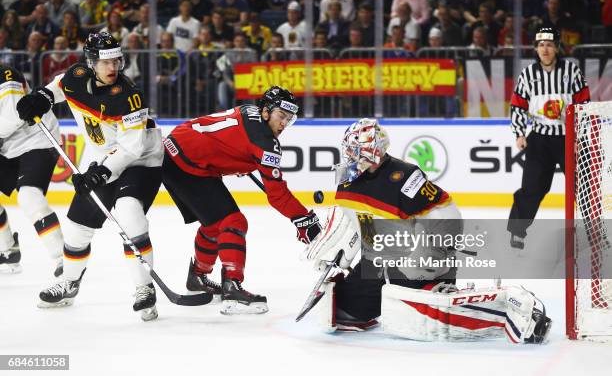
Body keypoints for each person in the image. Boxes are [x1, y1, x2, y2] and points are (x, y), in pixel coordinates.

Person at [303, 118, 551, 344]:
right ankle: (422, 293)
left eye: (354, 151)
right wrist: (341, 256)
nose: (348, 156)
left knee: (405, 293)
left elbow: (447, 215)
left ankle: (455, 297)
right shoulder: (347, 185)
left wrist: (427, 258)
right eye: (348, 150)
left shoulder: (405, 177)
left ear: (373, 151)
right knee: (347, 308)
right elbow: (366, 230)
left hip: (425, 255)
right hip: (391, 256)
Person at [16, 32, 164, 321]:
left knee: (129, 212)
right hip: (102, 160)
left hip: (142, 161)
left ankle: (144, 288)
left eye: (117, 62)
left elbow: (131, 147)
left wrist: (101, 172)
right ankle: (69, 282)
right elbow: (59, 85)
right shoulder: (76, 74)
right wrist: (43, 96)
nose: (113, 68)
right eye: (106, 62)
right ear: (91, 62)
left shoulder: (129, 95)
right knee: (77, 227)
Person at [161, 86, 322, 315]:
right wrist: (303, 219)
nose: (284, 124)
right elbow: (277, 195)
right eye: (281, 116)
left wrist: (241, 159)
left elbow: (228, 140)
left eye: (289, 119)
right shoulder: (265, 142)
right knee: (233, 222)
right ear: (266, 112)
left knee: (215, 224)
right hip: (188, 165)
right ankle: (232, 286)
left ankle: (197, 277)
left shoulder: (250, 111)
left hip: (175, 152)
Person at [507, 26, 590, 249]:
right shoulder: (528, 74)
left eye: (550, 45)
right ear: (536, 48)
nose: (545, 49)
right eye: (541, 45)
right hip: (540, 139)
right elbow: (517, 105)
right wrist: (519, 133)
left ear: (557, 48)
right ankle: (517, 233)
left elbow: (584, 105)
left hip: (568, 138)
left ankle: (594, 231)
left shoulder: (572, 72)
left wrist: (580, 137)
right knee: (532, 188)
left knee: (583, 187)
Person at [0, 64, 64, 276]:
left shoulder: (5, 74)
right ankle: (8, 249)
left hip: (37, 140)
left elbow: (13, 116)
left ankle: (63, 259)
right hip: (6, 147)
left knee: (29, 197)